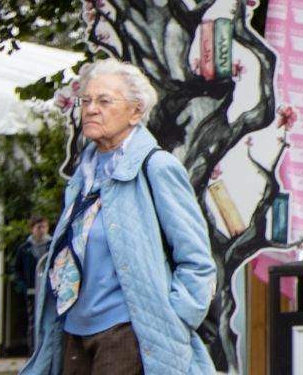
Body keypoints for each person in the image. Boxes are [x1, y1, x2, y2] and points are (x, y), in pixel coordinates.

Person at [22, 60, 216, 375]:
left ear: (136, 112)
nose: (91, 109)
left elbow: (197, 260)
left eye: (104, 101)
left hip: (127, 332)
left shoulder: (156, 167)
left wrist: (173, 320)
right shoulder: (83, 175)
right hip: (73, 329)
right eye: (86, 101)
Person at [12, 215, 52, 355]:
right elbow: (16, 270)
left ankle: (47, 353)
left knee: (50, 322)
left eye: (44, 227)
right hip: (32, 292)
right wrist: (24, 288)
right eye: (39, 227)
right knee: (33, 324)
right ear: (32, 229)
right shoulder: (25, 249)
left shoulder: (52, 246)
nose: (42, 230)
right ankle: (33, 353)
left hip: (50, 292)